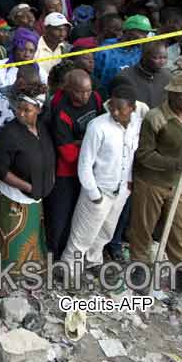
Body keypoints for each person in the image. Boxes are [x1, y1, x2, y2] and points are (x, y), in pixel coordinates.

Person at [130, 71, 182, 302]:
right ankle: (139, 272)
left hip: (178, 183)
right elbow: (143, 155)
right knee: (142, 229)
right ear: (172, 94)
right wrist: (176, 163)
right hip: (151, 183)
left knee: (180, 232)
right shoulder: (155, 118)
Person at [60, 83, 141, 274]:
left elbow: (130, 156)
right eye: (111, 106)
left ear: (132, 108)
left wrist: (128, 185)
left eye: (119, 109)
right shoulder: (97, 126)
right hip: (98, 191)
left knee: (106, 232)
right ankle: (68, 270)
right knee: (81, 236)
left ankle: (93, 261)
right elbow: (85, 163)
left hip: (121, 190)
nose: (114, 111)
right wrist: (93, 194)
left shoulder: (137, 122)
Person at [0, 90, 55, 267]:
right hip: (13, 198)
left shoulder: (43, 129)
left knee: (27, 240)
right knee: (7, 242)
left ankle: (23, 270)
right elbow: (1, 169)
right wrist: (28, 187)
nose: (21, 114)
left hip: (35, 196)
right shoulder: (9, 134)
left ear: (38, 110)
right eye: (19, 109)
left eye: (27, 110)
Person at [44, 69, 103, 257]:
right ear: (68, 89)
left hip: (92, 169)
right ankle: (53, 252)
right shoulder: (60, 109)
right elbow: (67, 153)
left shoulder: (95, 98)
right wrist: (90, 144)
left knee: (82, 215)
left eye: (88, 90)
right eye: (80, 91)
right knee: (60, 215)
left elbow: (101, 127)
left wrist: (81, 143)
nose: (85, 95)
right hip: (65, 172)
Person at [113, 42, 171, 107]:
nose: (162, 62)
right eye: (156, 58)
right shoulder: (124, 78)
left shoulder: (167, 76)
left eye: (165, 57)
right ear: (144, 57)